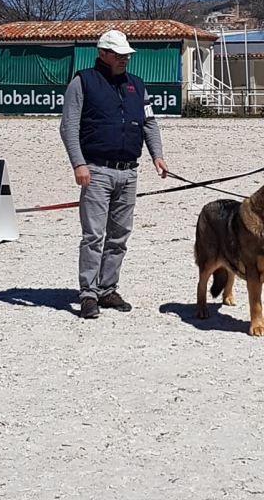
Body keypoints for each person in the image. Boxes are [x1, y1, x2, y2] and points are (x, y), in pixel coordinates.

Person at [60, 29, 168, 319]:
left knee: (119, 235)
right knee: (93, 235)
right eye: (119, 55)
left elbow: (149, 124)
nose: (124, 60)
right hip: (95, 170)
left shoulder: (136, 85)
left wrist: (157, 155)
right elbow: (68, 127)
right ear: (102, 54)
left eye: (126, 55)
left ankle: (108, 289)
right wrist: (78, 164)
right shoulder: (83, 82)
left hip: (129, 172)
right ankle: (88, 293)